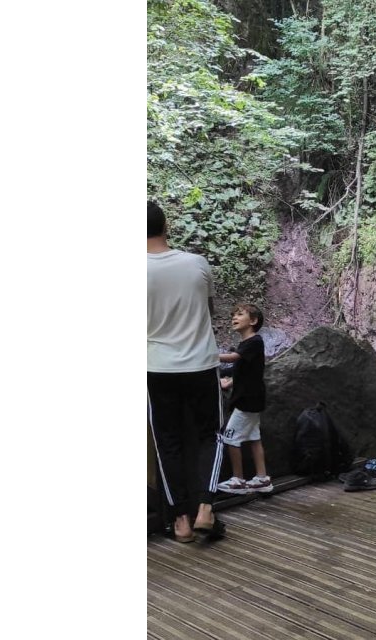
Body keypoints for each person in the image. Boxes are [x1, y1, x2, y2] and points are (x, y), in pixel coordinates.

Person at [147, 201, 226, 542]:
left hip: (157, 367)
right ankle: (206, 508)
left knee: (167, 441)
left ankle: (181, 520)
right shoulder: (197, 263)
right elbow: (209, 310)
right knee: (212, 435)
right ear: (166, 226)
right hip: (201, 363)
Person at [215, 304, 274, 495]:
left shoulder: (254, 341)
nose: (234, 317)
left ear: (253, 321)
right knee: (254, 438)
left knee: (230, 438)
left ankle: (238, 480)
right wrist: (229, 383)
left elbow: (233, 358)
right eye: (233, 315)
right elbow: (248, 371)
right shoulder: (249, 344)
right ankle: (262, 478)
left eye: (240, 314)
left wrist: (209, 355)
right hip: (253, 399)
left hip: (247, 401)